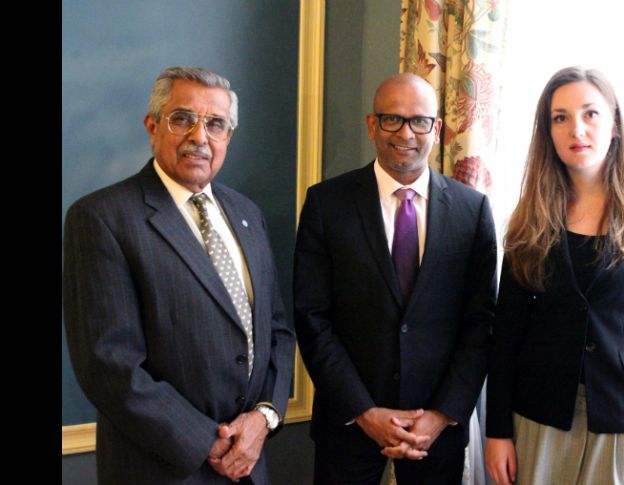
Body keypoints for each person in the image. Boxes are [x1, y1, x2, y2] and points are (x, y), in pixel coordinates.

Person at [63, 66, 296, 484]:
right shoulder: (101, 218)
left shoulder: (247, 214)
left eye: (216, 124)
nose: (199, 137)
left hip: (249, 461)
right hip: (161, 467)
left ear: (228, 137)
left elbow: (276, 330)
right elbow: (108, 365)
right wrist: (208, 443)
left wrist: (263, 418)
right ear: (153, 126)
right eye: (183, 119)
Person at [484, 66, 624, 485]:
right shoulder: (531, 218)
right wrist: (497, 431)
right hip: (539, 415)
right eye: (560, 117)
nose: (576, 129)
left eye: (590, 113)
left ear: (614, 124)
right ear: (548, 131)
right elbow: (506, 334)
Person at [293, 73, 498, 484]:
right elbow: (312, 318)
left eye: (419, 121)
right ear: (372, 125)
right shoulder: (325, 203)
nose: (406, 133)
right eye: (392, 119)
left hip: (434, 432)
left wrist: (440, 414)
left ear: (437, 129)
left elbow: (482, 323)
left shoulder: (472, 211)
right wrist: (364, 411)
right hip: (348, 424)